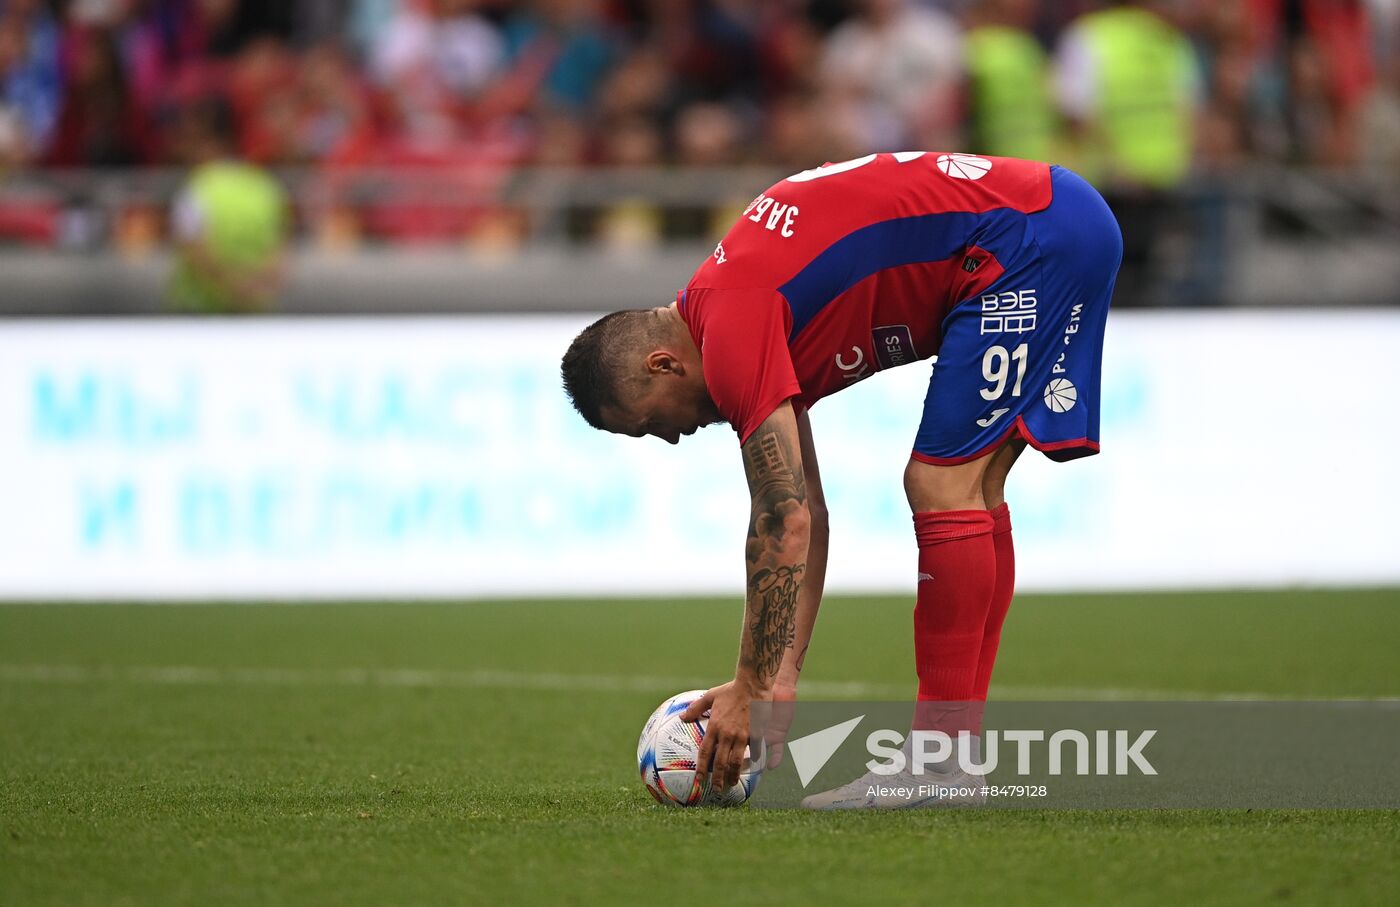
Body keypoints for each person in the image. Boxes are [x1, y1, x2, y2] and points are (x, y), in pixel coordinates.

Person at [560, 151, 1121, 809]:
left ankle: (939, 761)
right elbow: (810, 513)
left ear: (662, 365)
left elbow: (782, 518)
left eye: (652, 425)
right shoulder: (734, 312)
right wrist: (779, 679)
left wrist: (747, 683)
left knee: (943, 485)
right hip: (1046, 219)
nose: (673, 437)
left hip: (1026, 237)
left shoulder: (733, 327)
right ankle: (952, 760)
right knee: (971, 489)